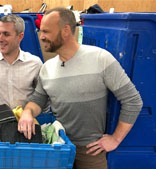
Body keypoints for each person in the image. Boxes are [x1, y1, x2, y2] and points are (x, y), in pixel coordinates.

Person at [18, 7, 143, 169]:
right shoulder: (47, 68)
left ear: (65, 31)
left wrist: (116, 139)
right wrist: (27, 112)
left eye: (46, 32)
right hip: (58, 146)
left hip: (91, 150)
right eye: (41, 31)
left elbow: (133, 100)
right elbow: (37, 100)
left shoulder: (100, 58)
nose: (41, 37)